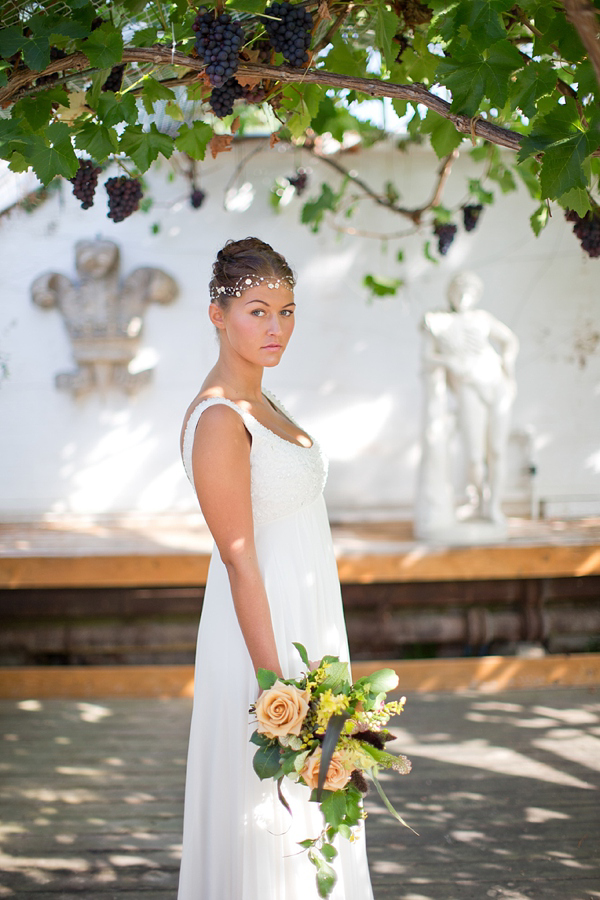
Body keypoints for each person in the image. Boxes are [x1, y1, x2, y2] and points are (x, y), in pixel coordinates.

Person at [178, 237, 374, 900]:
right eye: (257, 310)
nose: (276, 327)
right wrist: (279, 696)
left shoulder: (269, 401)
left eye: (287, 311)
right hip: (264, 640)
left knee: (320, 813)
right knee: (274, 814)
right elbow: (238, 558)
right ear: (217, 314)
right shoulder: (218, 420)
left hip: (310, 623)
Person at [419, 271, 519, 530]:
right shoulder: (438, 322)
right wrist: (448, 361)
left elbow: (509, 340)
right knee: (475, 454)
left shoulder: (483, 318)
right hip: (468, 385)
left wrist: (509, 368)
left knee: (496, 450)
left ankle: (494, 505)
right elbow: (427, 357)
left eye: (469, 291)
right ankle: (478, 499)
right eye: (458, 290)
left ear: (476, 295)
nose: (463, 296)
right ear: (450, 293)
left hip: (496, 384)